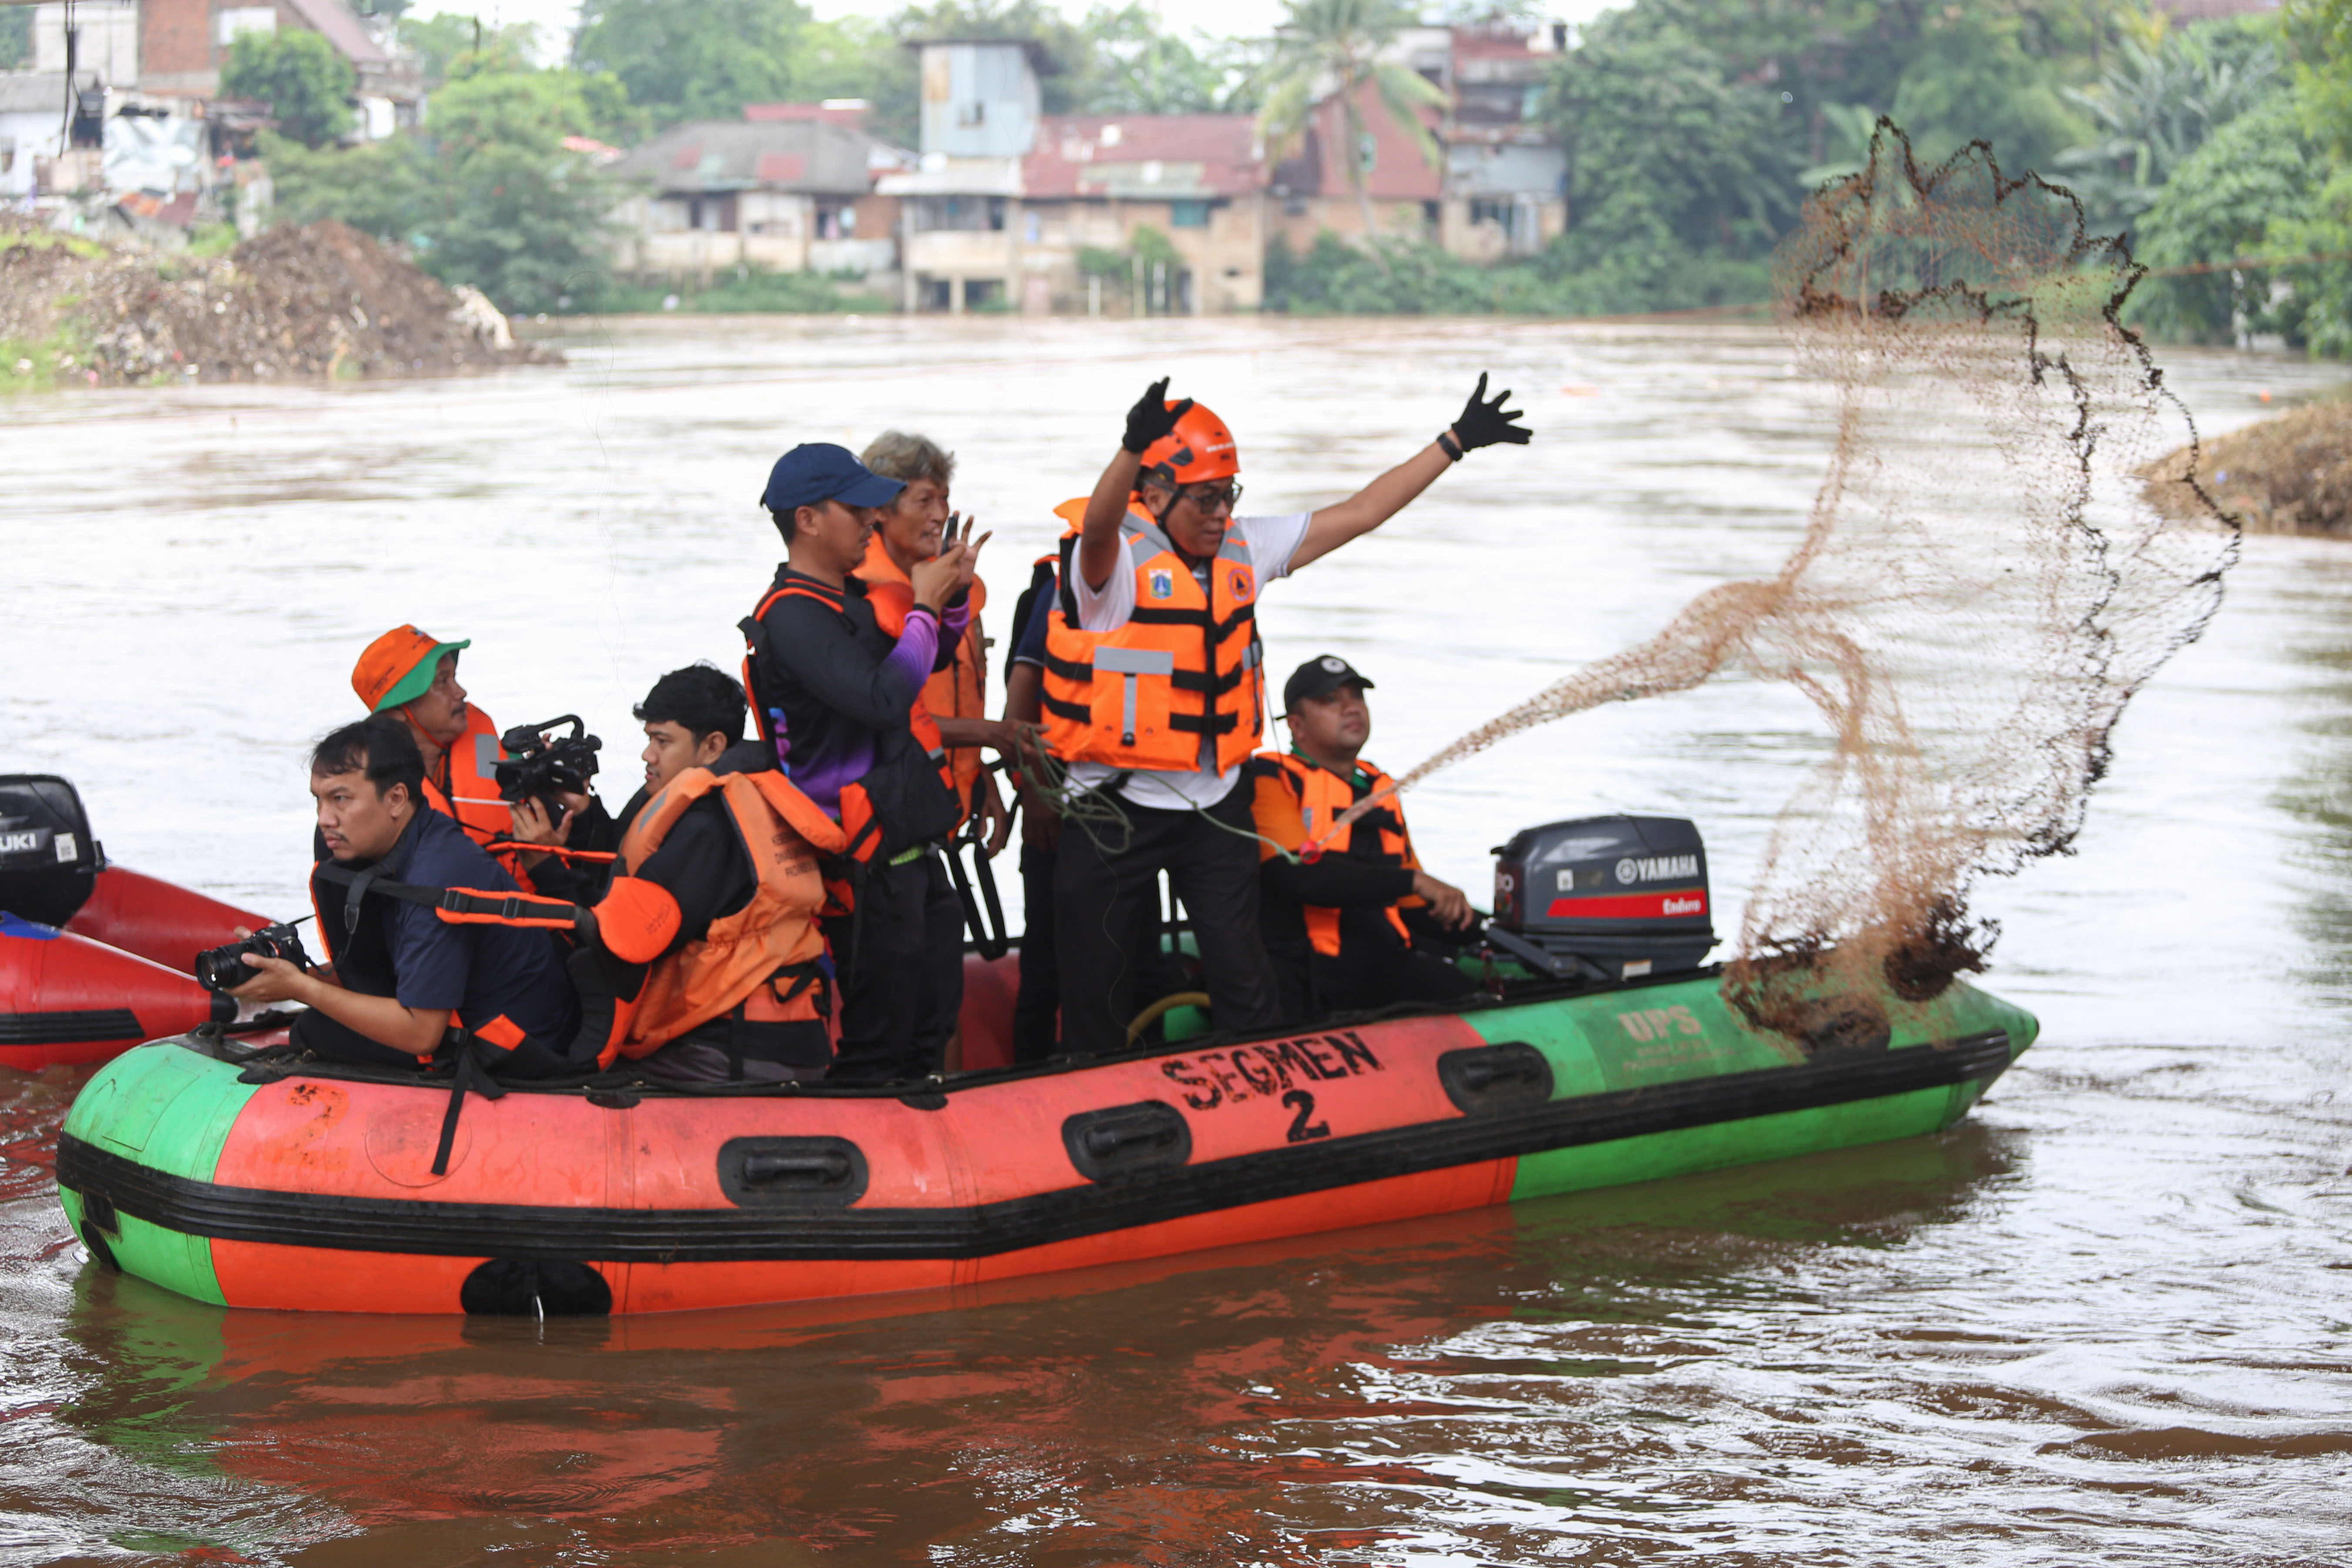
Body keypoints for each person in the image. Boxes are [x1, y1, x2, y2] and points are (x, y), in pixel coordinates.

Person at [1042, 374, 1530, 1055]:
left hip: (1213, 808)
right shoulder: (1112, 567)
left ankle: (1263, 1087)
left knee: (1245, 978)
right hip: (1113, 809)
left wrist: (1453, 443)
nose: (1221, 514)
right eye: (1205, 499)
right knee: (1098, 982)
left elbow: (1360, 514)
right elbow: (1096, 525)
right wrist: (1129, 446)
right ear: (1153, 495)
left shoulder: (1245, 547)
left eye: (1228, 497)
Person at [738, 442, 984, 1083]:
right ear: (807, 520)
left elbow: (921, 662)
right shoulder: (790, 617)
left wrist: (947, 599)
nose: (874, 522)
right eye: (858, 510)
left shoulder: (850, 599)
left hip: (910, 852)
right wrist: (925, 606)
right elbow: (882, 698)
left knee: (929, 1030)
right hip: (863, 868)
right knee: (880, 1042)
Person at [223, 715, 583, 1076]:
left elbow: (421, 1034)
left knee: (314, 1031)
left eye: (341, 799)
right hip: (491, 1016)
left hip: (523, 1048)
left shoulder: (436, 877)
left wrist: (301, 989)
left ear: (397, 798)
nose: (325, 819)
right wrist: (287, 969)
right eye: (319, 801)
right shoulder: (414, 838)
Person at [1248, 656, 1477, 1022]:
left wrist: (1480, 924)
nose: (1351, 708)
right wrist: (1414, 882)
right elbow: (1297, 876)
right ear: (1297, 725)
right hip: (1304, 973)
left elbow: (1412, 900)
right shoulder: (1271, 778)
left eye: (1357, 697)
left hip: (1382, 965)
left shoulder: (1379, 788)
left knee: (1453, 986)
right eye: (1330, 701)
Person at [855, 431, 1018, 844]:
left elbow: (954, 689)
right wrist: (989, 734)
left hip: (942, 798)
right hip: (890, 815)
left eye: (944, 499)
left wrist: (979, 775)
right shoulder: (860, 598)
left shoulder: (953, 587)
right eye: (925, 501)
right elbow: (887, 713)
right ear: (880, 511)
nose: (940, 514)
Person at [511, 663, 744, 905]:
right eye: (649, 739)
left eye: (663, 742)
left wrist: (544, 868)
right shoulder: (666, 792)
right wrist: (583, 812)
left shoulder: (708, 831)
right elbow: (618, 857)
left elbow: (627, 932)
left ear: (713, 747)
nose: (648, 755)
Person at [348, 625, 531, 850]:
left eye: (454, 677)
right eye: (442, 682)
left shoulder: (490, 751)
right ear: (396, 712)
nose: (460, 692)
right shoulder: (370, 795)